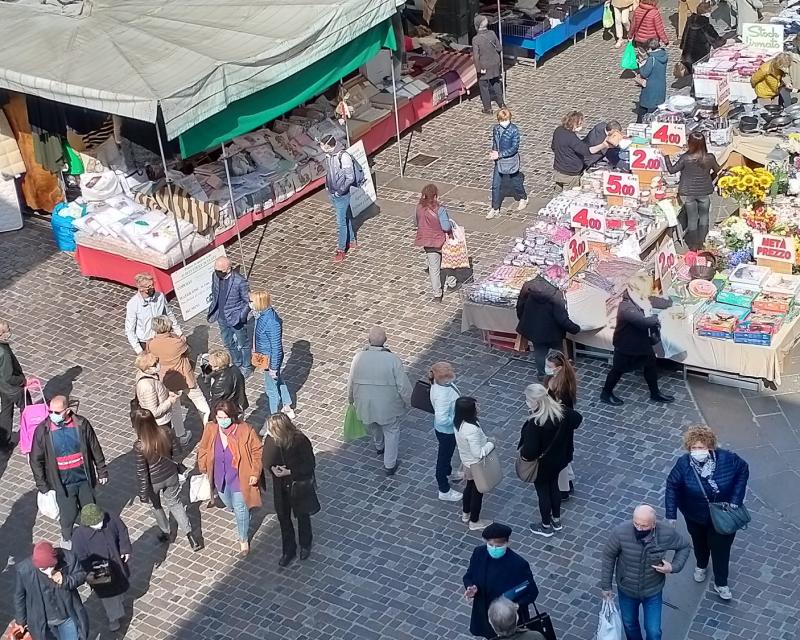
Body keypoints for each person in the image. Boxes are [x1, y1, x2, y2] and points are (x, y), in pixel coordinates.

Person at [665, 425, 749, 601]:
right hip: (695, 515)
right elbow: (672, 486)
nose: (697, 451)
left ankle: (721, 583)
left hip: (723, 515)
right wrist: (671, 514)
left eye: (701, 447)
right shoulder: (684, 464)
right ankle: (701, 565)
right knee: (699, 542)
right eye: (693, 448)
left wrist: (736, 500)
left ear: (710, 447)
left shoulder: (729, 459)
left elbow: (743, 470)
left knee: (721, 549)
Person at [600, 505, 690, 640]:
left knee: (654, 631)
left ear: (653, 524)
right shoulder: (620, 532)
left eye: (644, 526)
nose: (639, 528)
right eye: (636, 523)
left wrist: (673, 567)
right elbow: (608, 556)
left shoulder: (666, 533)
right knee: (630, 624)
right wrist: (606, 586)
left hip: (653, 590)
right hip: (627, 589)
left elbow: (684, 546)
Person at [29, 395, 108, 548]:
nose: (52, 415)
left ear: (67, 411)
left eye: (57, 412)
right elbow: (35, 460)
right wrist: (42, 485)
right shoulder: (43, 430)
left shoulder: (81, 424)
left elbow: (94, 448)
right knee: (67, 515)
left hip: (83, 479)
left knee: (89, 511)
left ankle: (92, 539)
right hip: (62, 483)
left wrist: (101, 470)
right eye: (50, 411)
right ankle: (67, 540)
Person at [197, 400, 263, 557]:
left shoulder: (245, 430)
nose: (222, 421)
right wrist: (203, 466)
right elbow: (204, 448)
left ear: (232, 416)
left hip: (241, 476)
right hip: (220, 476)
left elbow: (257, 451)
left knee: (240, 508)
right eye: (219, 417)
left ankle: (243, 541)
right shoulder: (211, 429)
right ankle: (244, 514)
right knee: (229, 503)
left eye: (225, 417)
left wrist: (255, 473)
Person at [132, 408, 202, 551]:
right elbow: (177, 454)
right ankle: (191, 536)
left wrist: (143, 493)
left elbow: (142, 472)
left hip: (153, 482)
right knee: (175, 503)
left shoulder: (140, 445)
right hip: (170, 476)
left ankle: (166, 532)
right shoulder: (166, 432)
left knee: (156, 506)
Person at [600, 272, 674, 406]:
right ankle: (606, 393)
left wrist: (668, 302)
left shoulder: (638, 299)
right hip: (627, 346)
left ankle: (655, 392)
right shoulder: (627, 307)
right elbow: (644, 322)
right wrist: (659, 318)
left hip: (642, 343)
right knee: (617, 370)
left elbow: (654, 301)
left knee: (651, 366)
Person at [518, 384, 582, 537]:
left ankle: (546, 525)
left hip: (542, 465)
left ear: (536, 402)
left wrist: (523, 456)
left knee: (543, 493)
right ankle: (557, 520)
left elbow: (530, 451)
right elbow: (578, 419)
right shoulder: (562, 412)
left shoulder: (536, 423)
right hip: (559, 460)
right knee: (554, 487)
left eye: (528, 400)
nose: (526, 402)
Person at [347, 327, 412, 476]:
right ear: (385, 341)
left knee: (372, 424)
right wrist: (409, 401)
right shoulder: (393, 360)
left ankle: (379, 446)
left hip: (364, 403)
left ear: (368, 340)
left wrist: (350, 399)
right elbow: (403, 386)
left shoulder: (358, 357)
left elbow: (351, 381)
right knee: (391, 431)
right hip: (388, 406)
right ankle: (389, 464)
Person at [463, 523, 539, 639]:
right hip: (485, 614)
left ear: (507, 543)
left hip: (509, 620)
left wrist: (515, 606)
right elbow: (469, 575)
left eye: (498, 546)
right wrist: (471, 587)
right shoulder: (479, 553)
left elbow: (532, 592)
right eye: (490, 544)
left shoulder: (518, 564)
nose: (493, 548)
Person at [262, 414, 318, 567]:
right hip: (280, 486)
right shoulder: (270, 440)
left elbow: (309, 464)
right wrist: (273, 468)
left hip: (298, 485)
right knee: (283, 518)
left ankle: (305, 544)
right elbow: (266, 460)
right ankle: (289, 550)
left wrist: (290, 471)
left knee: (302, 515)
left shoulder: (300, 440)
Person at [147, 315, 210, 437]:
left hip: (166, 379)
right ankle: (209, 430)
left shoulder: (151, 344)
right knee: (201, 403)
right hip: (184, 377)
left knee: (175, 408)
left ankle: (181, 435)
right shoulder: (176, 342)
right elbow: (187, 351)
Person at [71, 504, 131, 632]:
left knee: (120, 589)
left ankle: (119, 606)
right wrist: (94, 572)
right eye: (97, 522)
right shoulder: (79, 537)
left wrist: (125, 549)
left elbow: (122, 531)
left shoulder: (110, 518)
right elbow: (80, 558)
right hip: (98, 570)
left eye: (101, 520)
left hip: (117, 563)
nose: (100, 523)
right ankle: (113, 618)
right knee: (108, 597)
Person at [14, 541, 89, 640]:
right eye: (43, 569)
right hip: (44, 621)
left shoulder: (68, 558)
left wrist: (65, 580)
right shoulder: (25, 570)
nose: (49, 572)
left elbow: (81, 575)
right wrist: (20, 621)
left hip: (67, 617)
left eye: (51, 566)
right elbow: (20, 596)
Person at [664, 132, 721, 250]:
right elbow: (718, 170)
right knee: (704, 217)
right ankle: (702, 242)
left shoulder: (686, 158)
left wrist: (666, 157)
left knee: (692, 218)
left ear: (691, 144)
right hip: (704, 191)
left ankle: (693, 245)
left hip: (688, 192)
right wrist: (709, 178)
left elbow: (672, 170)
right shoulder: (709, 157)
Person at [515, 274, 581, 377]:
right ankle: (560, 373)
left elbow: (520, 305)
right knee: (557, 353)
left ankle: (542, 375)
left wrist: (524, 320)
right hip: (552, 332)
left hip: (534, 329)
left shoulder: (529, 286)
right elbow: (562, 319)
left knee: (539, 351)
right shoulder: (556, 295)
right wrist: (576, 329)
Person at [251, 290, 295, 419]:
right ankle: (287, 405)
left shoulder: (271, 322)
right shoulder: (262, 315)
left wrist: (273, 368)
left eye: (252, 301)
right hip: (267, 357)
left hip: (270, 360)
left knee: (271, 389)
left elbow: (276, 347)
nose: (250, 304)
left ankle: (274, 416)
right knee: (278, 380)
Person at [454, 397, 494, 531]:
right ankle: (475, 521)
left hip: (467, 463)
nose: (478, 408)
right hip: (475, 465)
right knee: (478, 492)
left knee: (469, 487)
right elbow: (478, 452)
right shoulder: (471, 429)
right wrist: (490, 444)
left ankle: (466, 514)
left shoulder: (458, 423)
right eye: (476, 406)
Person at [207, 256, 252, 375]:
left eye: (219, 271)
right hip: (221, 317)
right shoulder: (215, 276)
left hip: (235, 318)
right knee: (228, 342)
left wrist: (241, 316)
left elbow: (248, 301)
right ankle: (237, 363)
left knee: (243, 344)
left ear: (228, 269)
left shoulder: (239, 281)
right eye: (215, 270)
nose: (217, 273)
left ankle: (247, 366)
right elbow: (215, 292)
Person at [542, 351, 578, 500]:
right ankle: (567, 484)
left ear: (559, 368)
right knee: (562, 459)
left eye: (549, 366)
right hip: (553, 422)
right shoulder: (553, 378)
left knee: (560, 458)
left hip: (559, 427)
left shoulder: (563, 387)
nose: (546, 368)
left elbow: (564, 411)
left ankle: (564, 489)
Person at [320, 134, 358, 263]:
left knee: (340, 222)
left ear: (330, 146)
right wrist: (327, 187)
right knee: (345, 216)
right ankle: (352, 240)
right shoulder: (328, 156)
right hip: (332, 191)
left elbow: (350, 178)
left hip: (341, 194)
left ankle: (341, 249)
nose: (321, 148)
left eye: (323, 145)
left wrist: (340, 191)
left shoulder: (344, 157)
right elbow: (329, 173)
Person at [429, 362, 464, 502]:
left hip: (447, 430)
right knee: (443, 458)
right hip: (447, 432)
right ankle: (443, 489)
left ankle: (449, 473)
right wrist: (457, 419)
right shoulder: (442, 394)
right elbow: (442, 419)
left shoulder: (440, 384)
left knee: (447, 455)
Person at [551, 112, 610, 191]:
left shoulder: (558, 130)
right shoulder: (572, 139)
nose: (581, 127)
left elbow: (553, 147)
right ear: (575, 125)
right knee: (569, 195)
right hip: (570, 174)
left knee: (557, 193)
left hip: (558, 170)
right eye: (580, 124)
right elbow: (587, 151)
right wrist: (603, 145)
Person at [124, 273, 181, 354]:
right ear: (140, 288)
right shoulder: (133, 304)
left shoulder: (160, 297)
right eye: (148, 286)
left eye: (152, 285)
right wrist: (139, 350)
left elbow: (169, 314)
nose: (152, 288)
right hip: (146, 342)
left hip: (161, 337)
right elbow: (129, 330)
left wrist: (179, 332)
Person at [487, 108, 528, 220]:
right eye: (501, 120)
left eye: (506, 120)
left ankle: (523, 197)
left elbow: (514, 148)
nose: (504, 122)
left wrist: (499, 154)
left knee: (516, 183)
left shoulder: (514, 130)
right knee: (496, 185)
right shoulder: (496, 129)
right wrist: (494, 152)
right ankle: (495, 208)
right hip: (499, 161)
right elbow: (495, 142)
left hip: (510, 161)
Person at [414, 184, 453, 301]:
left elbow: (415, 223)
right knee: (449, 261)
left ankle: (437, 294)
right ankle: (452, 283)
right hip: (441, 241)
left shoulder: (419, 208)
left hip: (427, 242)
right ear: (435, 196)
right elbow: (446, 227)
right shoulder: (440, 210)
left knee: (434, 268)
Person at [133, 352, 183, 442]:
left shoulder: (149, 375)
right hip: (159, 423)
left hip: (162, 420)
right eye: (154, 364)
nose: (158, 365)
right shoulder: (147, 386)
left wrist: (167, 393)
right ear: (147, 368)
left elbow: (158, 391)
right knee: (165, 446)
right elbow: (153, 412)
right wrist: (170, 401)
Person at [472, 14, 505, 114]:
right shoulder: (492, 33)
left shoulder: (476, 39)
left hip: (484, 65)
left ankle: (488, 108)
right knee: (496, 82)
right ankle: (501, 103)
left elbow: (476, 56)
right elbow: (499, 48)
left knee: (484, 86)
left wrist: (478, 69)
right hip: (495, 63)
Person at [0, 318, 24, 452]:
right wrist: (22, 381)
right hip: (13, 388)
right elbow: (9, 376)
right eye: (7, 330)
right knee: (27, 409)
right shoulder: (3, 352)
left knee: (6, 411)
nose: (9, 332)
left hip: (2, 387)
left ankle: (4, 442)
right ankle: (31, 435)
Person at [680, 3, 722, 74]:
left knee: (692, 72)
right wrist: (727, 41)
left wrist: (682, 47)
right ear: (706, 13)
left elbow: (684, 35)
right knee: (698, 73)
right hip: (700, 55)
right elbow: (716, 40)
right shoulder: (705, 25)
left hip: (688, 53)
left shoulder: (690, 20)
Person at [207, 349, 249, 414]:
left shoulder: (219, 384)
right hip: (240, 406)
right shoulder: (235, 369)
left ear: (216, 367)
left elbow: (215, 404)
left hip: (228, 413)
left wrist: (211, 420)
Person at [636, 39, 668, 123]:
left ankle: (640, 124)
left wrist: (641, 64)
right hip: (661, 85)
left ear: (650, 48)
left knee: (643, 107)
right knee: (658, 106)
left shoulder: (651, 59)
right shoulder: (664, 54)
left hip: (650, 88)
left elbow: (644, 73)